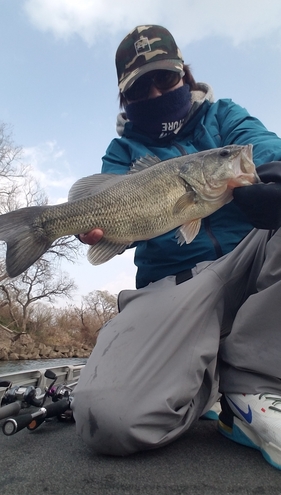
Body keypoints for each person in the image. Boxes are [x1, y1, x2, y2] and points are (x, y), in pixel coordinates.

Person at [71, 25, 281, 468]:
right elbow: (108, 205)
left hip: (251, 267)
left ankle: (252, 390)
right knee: (107, 416)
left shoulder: (224, 117)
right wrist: (97, 229)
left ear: (185, 75)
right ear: (125, 100)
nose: (155, 92)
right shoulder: (122, 150)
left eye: (165, 79)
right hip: (172, 289)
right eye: (140, 87)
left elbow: (262, 149)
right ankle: (201, 381)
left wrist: (276, 176)